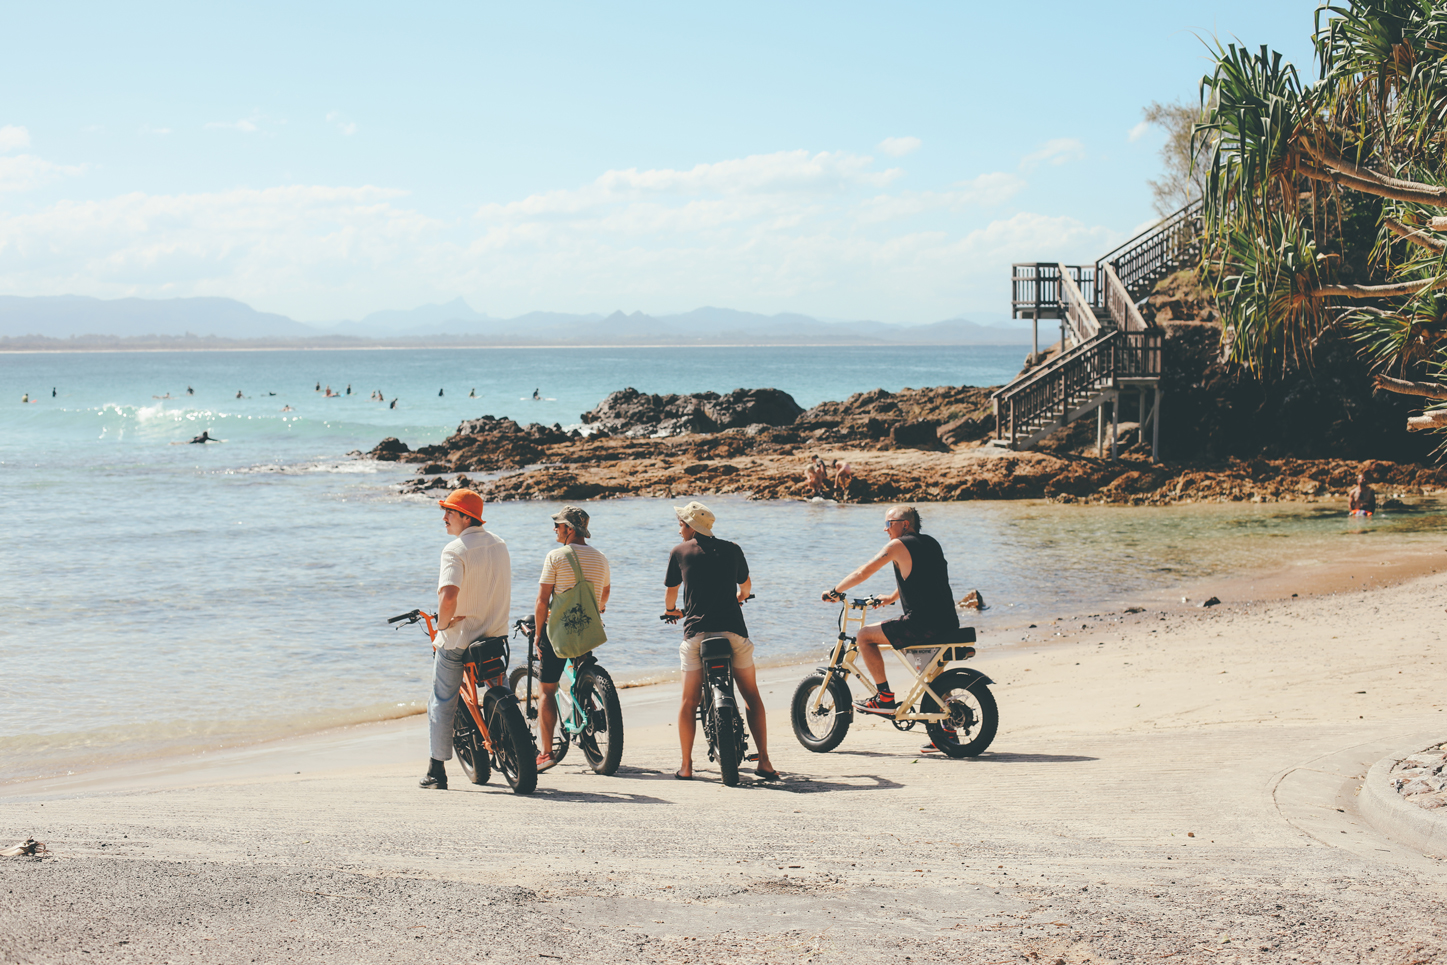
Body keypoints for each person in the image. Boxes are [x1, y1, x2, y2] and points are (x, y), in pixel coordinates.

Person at [663, 501, 777, 781]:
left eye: (681, 524)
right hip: (733, 632)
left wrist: (670, 612)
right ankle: (764, 761)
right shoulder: (733, 549)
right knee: (751, 695)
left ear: (691, 527)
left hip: (697, 634)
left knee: (689, 701)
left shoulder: (679, 552)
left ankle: (686, 766)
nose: (679, 530)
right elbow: (746, 587)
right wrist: (740, 598)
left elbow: (670, 596)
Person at [822, 505, 958, 727]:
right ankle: (946, 733)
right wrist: (892, 597)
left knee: (864, 636)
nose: (885, 529)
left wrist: (836, 591)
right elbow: (925, 578)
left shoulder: (897, 545)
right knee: (932, 679)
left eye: (888, 523)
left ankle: (884, 697)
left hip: (921, 625)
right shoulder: (931, 543)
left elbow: (863, 572)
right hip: (948, 623)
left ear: (905, 524)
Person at [420, 489, 511, 790]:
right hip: (495, 635)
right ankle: (511, 739)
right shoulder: (500, 544)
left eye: (448, 511)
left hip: (460, 639)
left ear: (464, 516)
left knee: (441, 699)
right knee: (502, 687)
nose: (444, 517)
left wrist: (443, 625)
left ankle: (436, 770)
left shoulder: (455, 549)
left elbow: (448, 596)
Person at [531, 506, 611, 772]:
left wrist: (539, 633)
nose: (555, 529)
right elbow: (605, 592)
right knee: (580, 671)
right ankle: (587, 703)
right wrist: (598, 609)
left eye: (558, 525)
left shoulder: (555, 556)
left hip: (560, 634)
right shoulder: (600, 557)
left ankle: (545, 753)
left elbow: (543, 600)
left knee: (547, 690)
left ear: (569, 529)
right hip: (590, 630)